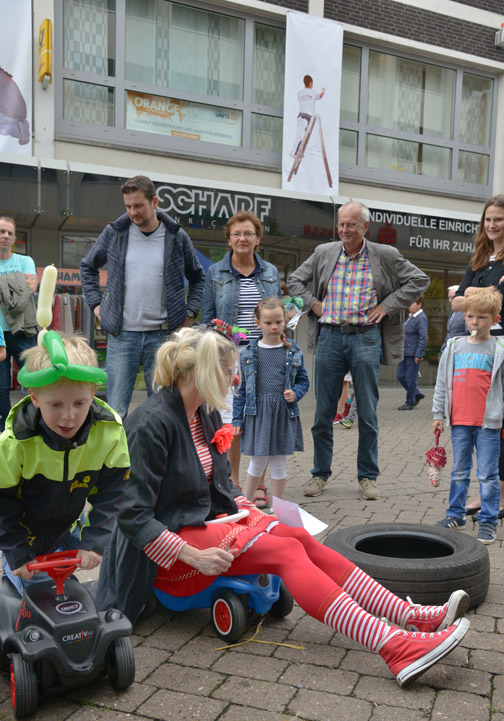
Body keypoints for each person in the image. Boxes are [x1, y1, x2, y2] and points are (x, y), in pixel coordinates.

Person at [96, 322, 470, 688]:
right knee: (287, 553)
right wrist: (195, 557)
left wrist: (254, 513)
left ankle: (408, 615)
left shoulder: (202, 413)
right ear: (204, 372)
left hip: (197, 528)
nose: (235, 379)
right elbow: (133, 517)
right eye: (228, 371)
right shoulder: (150, 423)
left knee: (298, 536)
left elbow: (221, 486)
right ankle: (395, 646)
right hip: (167, 555)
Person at [287, 201, 429, 500]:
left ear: (365, 227)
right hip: (329, 336)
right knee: (323, 412)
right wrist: (313, 304)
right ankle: (319, 474)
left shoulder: (385, 254)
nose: (344, 230)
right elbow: (294, 281)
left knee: (367, 412)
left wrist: (387, 306)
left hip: (366, 338)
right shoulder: (324, 252)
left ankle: (367, 477)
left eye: (351, 225)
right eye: (341, 224)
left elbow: (419, 280)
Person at [0, 332, 130, 594]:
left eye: (79, 403)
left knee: (67, 593)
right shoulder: (14, 443)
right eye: (56, 404)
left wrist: (94, 540)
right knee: (35, 596)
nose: (69, 416)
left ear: (92, 393)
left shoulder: (110, 432)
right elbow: (3, 504)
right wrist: (17, 552)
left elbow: (114, 493)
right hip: (24, 534)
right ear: (35, 397)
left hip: (68, 525)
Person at [80, 175, 205, 421]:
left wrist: (190, 313)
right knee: (115, 410)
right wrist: (95, 304)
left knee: (162, 410)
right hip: (121, 335)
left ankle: (156, 447)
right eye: (128, 206)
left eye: (138, 205)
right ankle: (116, 447)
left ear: (154, 202)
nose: (132, 212)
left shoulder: (176, 236)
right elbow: (88, 266)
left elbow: (198, 277)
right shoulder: (115, 233)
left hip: (163, 337)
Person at [451, 195, 504, 519]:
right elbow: (456, 302)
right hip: (475, 342)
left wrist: (473, 293)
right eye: (488, 219)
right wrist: (481, 293)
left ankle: (499, 500)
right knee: (480, 420)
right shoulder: (480, 257)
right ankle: (486, 491)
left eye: (498, 219)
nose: (492, 225)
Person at [432, 288, 504, 545]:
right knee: (459, 470)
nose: (474, 322)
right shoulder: (453, 347)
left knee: (487, 474)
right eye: (470, 316)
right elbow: (441, 384)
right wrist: (438, 414)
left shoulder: (501, 349)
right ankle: (455, 514)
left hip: (488, 425)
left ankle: (488, 521)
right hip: (459, 421)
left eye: (482, 317)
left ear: (495, 320)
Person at [201, 211, 281, 496]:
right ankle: (233, 482)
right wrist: (225, 340)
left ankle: (258, 483)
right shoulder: (215, 273)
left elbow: (276, 313)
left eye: (248, 233)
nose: (242, 238)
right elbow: (208, 319)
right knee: (231, 419)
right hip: (228, 355)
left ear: (258, 239)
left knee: (261, 418)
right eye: (236, 234)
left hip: (263, 353)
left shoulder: (270, 272)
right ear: (229, 239)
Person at [232, 297, 309, 503]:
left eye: (278, 322)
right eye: (268, 323)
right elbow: (240, 390)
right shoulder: (248, 353)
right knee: (256, 463)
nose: (274, 327)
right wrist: (237, 420)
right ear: (257, 323)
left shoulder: (292, 350)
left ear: (285, 320)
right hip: (258, 414)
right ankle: (247, 508)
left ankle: (278, 510)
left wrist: (295, 393)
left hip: (282, 414)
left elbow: (303, 381)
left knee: (278, 464)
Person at [0, 216, 38, 431]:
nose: (5, 236)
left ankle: (35, 426)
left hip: (23, 331)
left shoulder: (25, 261)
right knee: (1, 388)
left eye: (9, 233)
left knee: (35, 381)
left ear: (14, 239)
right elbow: (23, 287)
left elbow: (30, 288)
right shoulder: (23, 267)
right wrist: (15, 282)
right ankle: (5, 432)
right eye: (1, 232)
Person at [397, 296, 428, 410]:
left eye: (412, 303)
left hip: (413, 354)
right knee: (400, 376)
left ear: (419, 304)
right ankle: (416, 393)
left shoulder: (421, 318)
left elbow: (423, 337)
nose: (409, 305)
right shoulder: (410, 317)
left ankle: (410, 402)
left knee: (411, 379)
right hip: (404, 352)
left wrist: (419, 354)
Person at [290, 76, 325, 159]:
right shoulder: (313, 93)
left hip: (300, 116)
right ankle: (296, 153)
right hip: (307, 117)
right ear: (310, 83)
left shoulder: (300, 93)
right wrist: (323, 90)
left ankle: (295, 152)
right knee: (302, 136)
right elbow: (320, 96)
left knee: (299, 135)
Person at [441, 284, 468, 352]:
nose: (450, 300)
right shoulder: (453, 311)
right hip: (448, 349)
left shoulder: (466, 312)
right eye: (449, 297)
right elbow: (450, 332)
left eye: (452, 297)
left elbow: (468, 333)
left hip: (460, 350)